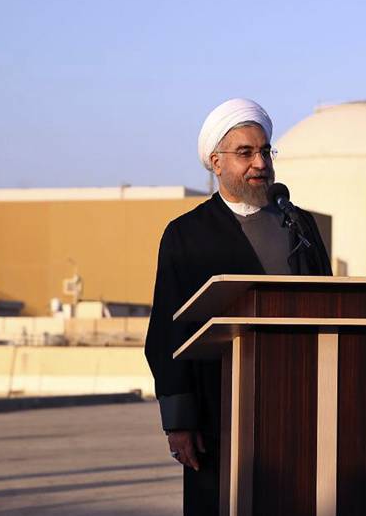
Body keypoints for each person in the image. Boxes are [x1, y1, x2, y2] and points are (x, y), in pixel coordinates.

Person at [144, 98, 331, 514]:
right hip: (219, 411)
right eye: (245, 153)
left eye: (265, 151)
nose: (260, 163)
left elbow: (329, 305)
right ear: (216, 162)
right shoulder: (187, 233)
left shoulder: (298, 224)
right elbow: (166, 333)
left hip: (299, 405)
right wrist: (179, 420)